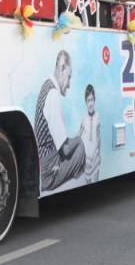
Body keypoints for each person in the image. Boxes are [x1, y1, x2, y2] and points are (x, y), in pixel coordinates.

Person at [34, 50, 93, 190]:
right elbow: (65, 150)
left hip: (43, 158)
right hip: (47, 169)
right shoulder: (53, 95)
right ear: (62, 68)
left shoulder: (45, 86)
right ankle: (80, 173)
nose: (69, 84)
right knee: (80, 145)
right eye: (69, 77)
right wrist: (77, 139)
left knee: (76, 142)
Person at [76, 85, 102, 184]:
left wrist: (99, 153)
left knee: (96, 178)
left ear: (94, 100)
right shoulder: (83, 118)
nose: (90, 103)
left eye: (92, 100)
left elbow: (99, 136)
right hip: (87, 155)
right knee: (88, 180)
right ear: (85, 102)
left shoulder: (98, 116)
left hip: (95, 153)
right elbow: (79, 134)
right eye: (88, 100)